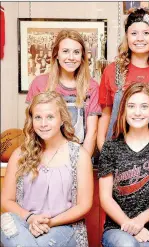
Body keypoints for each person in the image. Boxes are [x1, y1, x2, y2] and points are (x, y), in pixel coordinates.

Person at [1, 91, 93, 247]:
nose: (43, 124)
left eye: (50, 117)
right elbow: (6, 200)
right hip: (26, 223)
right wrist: (30, 218)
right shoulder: (20, 155)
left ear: (62, 119)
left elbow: (84, 205)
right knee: (6, 220)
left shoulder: (79, 155)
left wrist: (50, 222)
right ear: (31, 120)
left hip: (64, 227)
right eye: (38, 117)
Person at [98, 82, 149, 247]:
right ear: (123, 111)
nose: (137, 112)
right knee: (128, 245)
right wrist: (131, 226)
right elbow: (105, 198)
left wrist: (140, 221)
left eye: (144, 106)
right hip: (117, 229)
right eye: (131, 106)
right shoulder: (110, 148)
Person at [97, 7, 149, 151]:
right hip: (117, 154)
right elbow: (106, 115)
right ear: (127, 36)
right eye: (134, 33)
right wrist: (103, 149)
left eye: (146, 33)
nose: (140, 39)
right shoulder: (111, 71)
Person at [26, 29, 101, 157]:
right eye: (65, 51)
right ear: (56, 54)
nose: (71, 57)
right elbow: (31, 127)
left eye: (76, 52)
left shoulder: (92, 87)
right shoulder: (39, 84)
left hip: (80, 154)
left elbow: (92, 133)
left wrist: (81, 165)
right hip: (44, 156)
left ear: (82, 57)